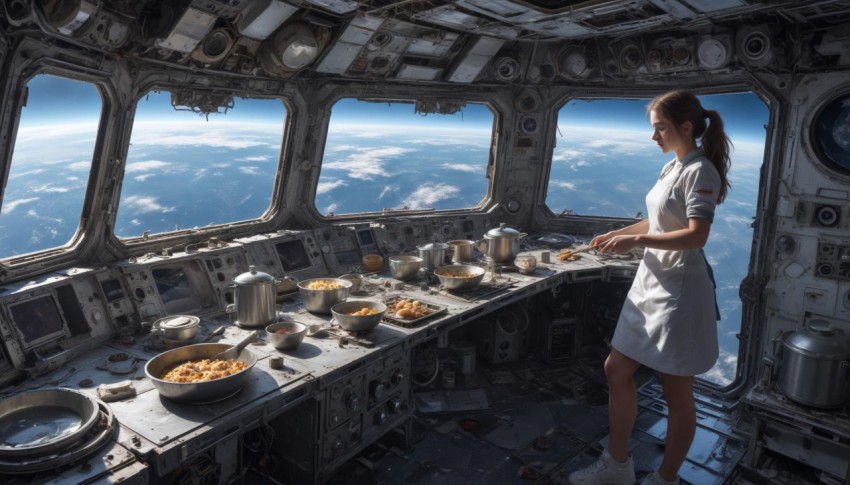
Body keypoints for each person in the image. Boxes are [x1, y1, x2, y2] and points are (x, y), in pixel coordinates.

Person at [569, 90, 731, 485]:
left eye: (660, 127)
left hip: (679, 293)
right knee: (616, 369)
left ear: (685, 127)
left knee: (677, 393)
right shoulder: (672, 167)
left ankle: (665, 478)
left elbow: (696, 236)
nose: (653, 136)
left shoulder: (700, 171)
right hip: (651, 284)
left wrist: (636, 242)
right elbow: (659, 222)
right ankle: (618, 466)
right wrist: (621, 232)